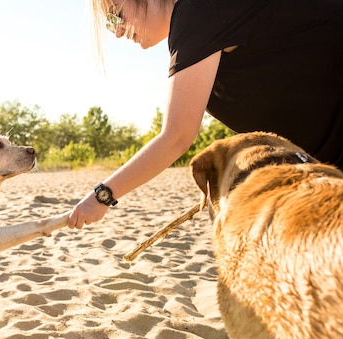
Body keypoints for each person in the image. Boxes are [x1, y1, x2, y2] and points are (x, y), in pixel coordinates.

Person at [68, 0, 343, 229]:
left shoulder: (196, 12)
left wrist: (102, 196)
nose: (117, 32)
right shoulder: (198, 23)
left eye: (116, 17)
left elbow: (176, 137)